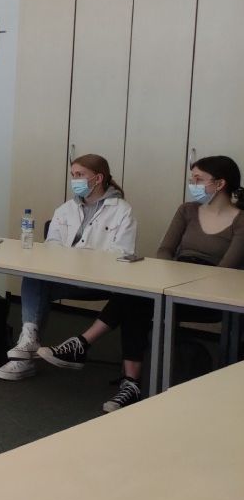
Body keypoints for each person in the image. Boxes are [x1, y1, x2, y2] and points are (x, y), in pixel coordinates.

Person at [38, 156, 244, 412]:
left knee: (133, 301)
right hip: (174, 280)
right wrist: (170, 277)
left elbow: (225, 271)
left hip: (209, 294)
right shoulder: (187, 211)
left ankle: (92, 351)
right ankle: (127, 382)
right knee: (134, 298)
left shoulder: (240, 220)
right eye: (192, 180)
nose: (193, 185)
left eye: (198, 180)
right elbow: (166, 250)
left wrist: (183, 279)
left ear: (220, 183)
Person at [0, 154, 137, 381]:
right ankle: (27, 346)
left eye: (80, 175)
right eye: (72, 175)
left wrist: (79, 259)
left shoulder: (122, 210)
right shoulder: (65, 209)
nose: (74, 180)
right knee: (33, 276)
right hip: (65, 278)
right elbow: (52, 247)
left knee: (38, 283)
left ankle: (27, 352)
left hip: (99, 282)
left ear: (98, 178)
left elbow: (122, 253)